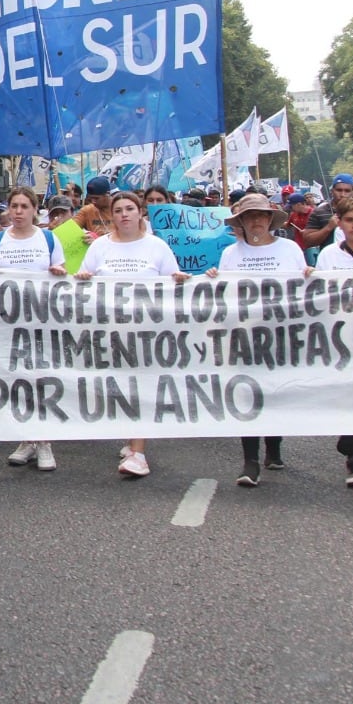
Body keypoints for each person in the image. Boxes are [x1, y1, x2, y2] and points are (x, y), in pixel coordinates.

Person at [76, 190, 190, 478]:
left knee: (142, 388)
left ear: (141, 213)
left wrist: (179, 281)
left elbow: (173, 285)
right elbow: (83, 282)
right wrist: (84, 278)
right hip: (109, 332)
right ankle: (131, 438)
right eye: (118, 210)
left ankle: (139, 453)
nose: (124, 214)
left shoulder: (157, 247)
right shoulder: (100, 247)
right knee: (119, 388)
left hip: (147, 333)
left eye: (129, 209)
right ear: (111, 216)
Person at [206, 194, 309, 487]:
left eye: (261, 215)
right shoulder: (230, 254)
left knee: (276, 391)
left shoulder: (289, 250)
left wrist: (311, 276)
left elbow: (303, 289)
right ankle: (250, 460)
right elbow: (225, 295)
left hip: (281, 333)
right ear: (241, 221)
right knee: (247, 393)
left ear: (270, 219)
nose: (256, 221)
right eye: (249, 216)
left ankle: (274, 446)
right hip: (245, 334)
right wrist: (213, 278)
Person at [0, 187, 66, 471]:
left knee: (41, 379)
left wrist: (59, 273)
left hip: (42, 321)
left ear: (34, 210)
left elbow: (61, 273)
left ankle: (44, 441)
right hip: (9, 323)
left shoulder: (48, 239)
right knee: (18, 379)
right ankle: (26, 439)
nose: (18, 212)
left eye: (24, 206)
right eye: (14, 206)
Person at [74, 177, 115, 242]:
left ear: (107, 194)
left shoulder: (120, 209)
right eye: (90, 199)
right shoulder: (87, 211)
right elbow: (70, 230)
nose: (93, 202)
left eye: (96, 198)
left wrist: (98, 242)